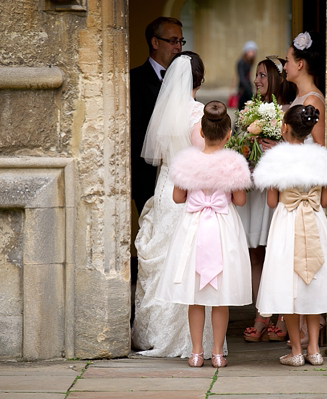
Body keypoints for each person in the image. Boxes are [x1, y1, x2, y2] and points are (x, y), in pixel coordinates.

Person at [132, 51, 221, 359]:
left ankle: (152, 332)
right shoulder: (197, 113)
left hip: (166, 186)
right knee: (188, 261)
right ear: (200, 79)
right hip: (188, 190)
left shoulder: (165, 110)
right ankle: (187, 339)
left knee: (165, 258)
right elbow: (204, 154)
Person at [155, 101, 252, 368]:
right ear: (229, 134)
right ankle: (218, 352)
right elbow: (241, 200)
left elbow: (177, 197)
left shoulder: (186, 161)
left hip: (194, 227)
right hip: (222, 226)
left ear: (200, 131)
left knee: (194, 294)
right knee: (221, 295)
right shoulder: (234, 162)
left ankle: (197, 352)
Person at [253, 105, 327, 366]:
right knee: (314, 283)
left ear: (285, 127)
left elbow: (273, 201)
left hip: (287, 221)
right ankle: (315, 350)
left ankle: (296, 350)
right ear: (309, 130)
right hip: (315, 221)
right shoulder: (322, 158)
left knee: (288, 285)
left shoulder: (275, 159)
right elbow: (326, 200)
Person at [239, 56, 296, 343]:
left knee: (280, 253)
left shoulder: (290, 111)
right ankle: (261, 313)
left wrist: (280, 146)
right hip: (256, 192)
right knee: (256, 254)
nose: (257, 80)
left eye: (263, 75)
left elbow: (300, 151)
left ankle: (284, 315)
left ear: (277, 79)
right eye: (256, 75)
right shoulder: (251, 110)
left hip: (276, 191)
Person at [284, 31, 327, 347]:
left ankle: (307, 334)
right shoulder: (298, 100)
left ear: (300, 64)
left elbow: (319, 146)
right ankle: (301, 335)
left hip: (303, 195)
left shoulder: (313, 100)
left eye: (287, 61)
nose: (285, 67)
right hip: (292, 186)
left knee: (305, 260)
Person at [130, 17, 185, 214]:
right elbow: (134, 132)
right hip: (147, 178)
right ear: (155, 42)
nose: (178, 46)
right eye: (172, 41)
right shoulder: (133, 80)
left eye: (180, 41)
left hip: (179, 177)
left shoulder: (185, 79)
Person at [236, 41, 258, 111]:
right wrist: (248, 88)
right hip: (243, 88)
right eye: (250, 51)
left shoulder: (249, 62)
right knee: (242, 108)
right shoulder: (241, 62)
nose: (252, 53)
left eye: (253, 51)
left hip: (248, 87)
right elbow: (242, 77)